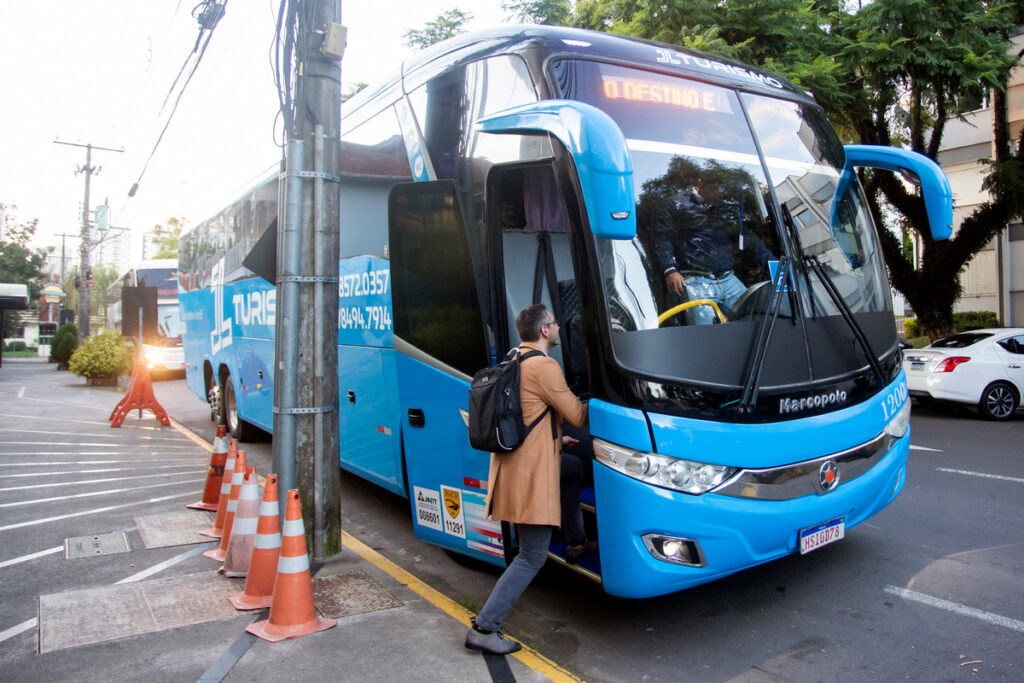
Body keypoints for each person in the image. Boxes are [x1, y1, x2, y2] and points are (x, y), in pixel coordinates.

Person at [465, 303, 591, 656]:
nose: (556, 327)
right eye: (553, 322)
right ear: (544, 331)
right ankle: (484, 628)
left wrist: (555, 437)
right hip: (529, 478)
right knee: (532, 556)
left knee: (572, 468)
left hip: (514, 467)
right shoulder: (545, 366)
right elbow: (579, 414)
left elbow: (527, 413)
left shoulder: (514, 358)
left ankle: (577, 540)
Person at [652, 179, 774, 325]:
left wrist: (775, 266)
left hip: (729, 280)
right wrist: (669, 269)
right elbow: (662, 237)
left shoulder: (721, 210)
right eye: (716, 190)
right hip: (696, 281)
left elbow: (748, 239)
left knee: (755, 324)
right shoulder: (677, 203)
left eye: (721, 191)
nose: (719, 195)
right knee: (703, 335)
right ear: (702, 184)